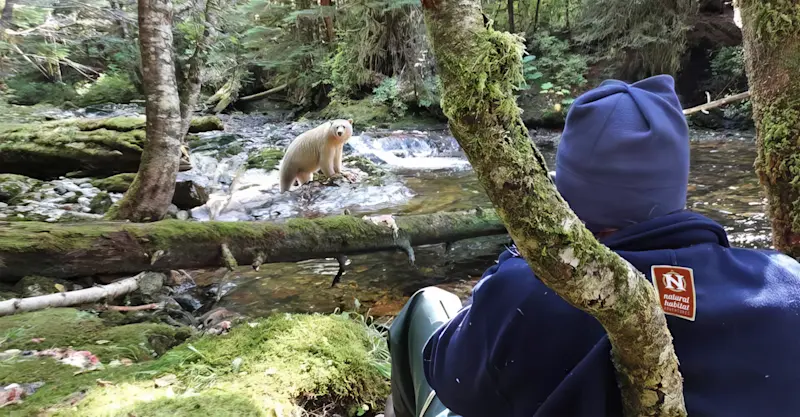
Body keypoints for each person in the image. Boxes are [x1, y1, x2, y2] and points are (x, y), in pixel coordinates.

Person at [386, 74, 800, 417]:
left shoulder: (527, 293)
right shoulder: (785, 286)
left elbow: (449, 377)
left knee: (425, 309)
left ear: (566, 200)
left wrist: (515, 261)